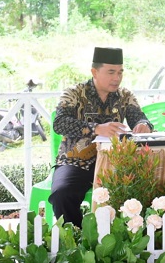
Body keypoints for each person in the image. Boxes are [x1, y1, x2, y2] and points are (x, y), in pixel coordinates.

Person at [49, 47, 152, 227]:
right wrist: (95, 128)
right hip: (76, 162)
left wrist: (143, 125)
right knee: (62, 194)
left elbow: (140, 117)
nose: (117, 78)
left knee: (143, 188)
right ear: (94, 72)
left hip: (116, 162)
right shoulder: (74, 93)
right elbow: (60, 123)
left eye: (120, 72)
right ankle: (77, 241)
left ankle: (125, 242)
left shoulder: (125, 96)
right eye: (111, 72)